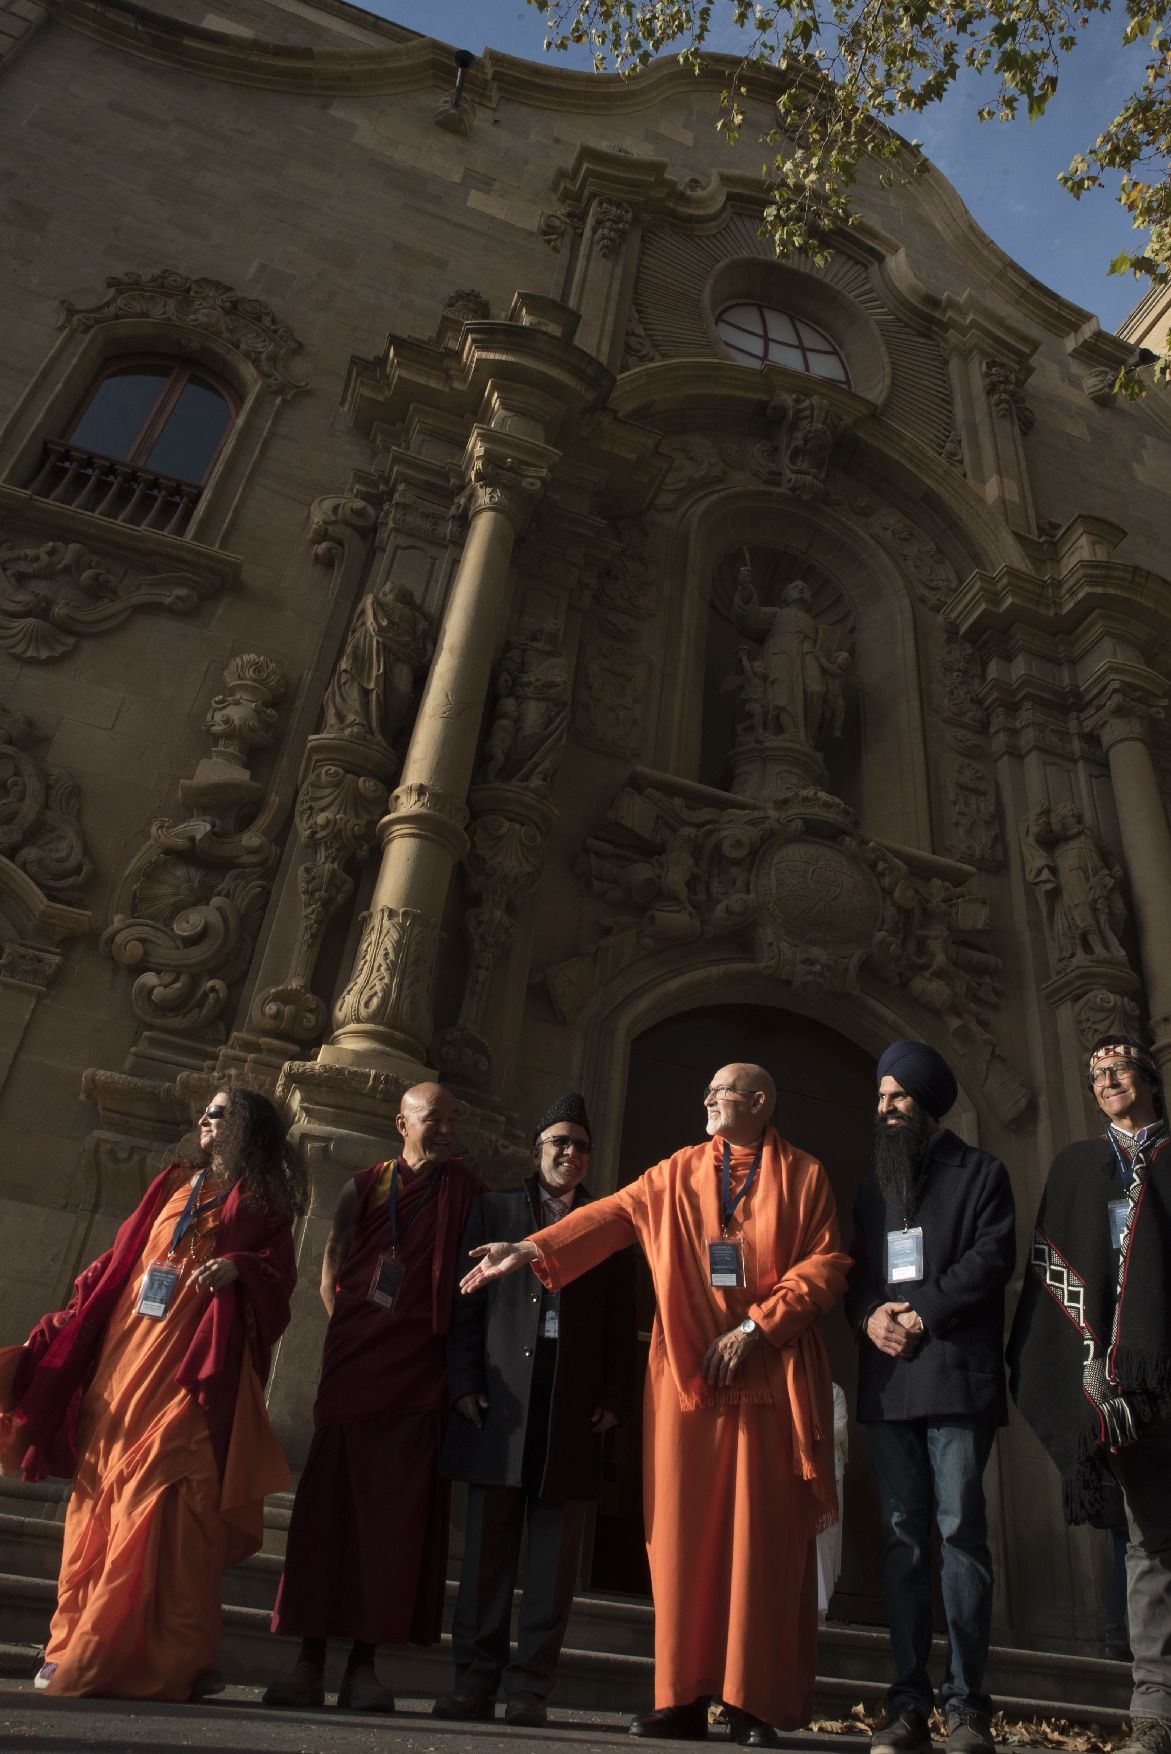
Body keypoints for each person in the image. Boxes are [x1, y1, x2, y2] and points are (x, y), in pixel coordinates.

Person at [461, 1062, 848, 1747]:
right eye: (704, 1089)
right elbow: (609, 1216)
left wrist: (755, 1328)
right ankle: (682, 1698)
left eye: (720, 1091)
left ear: (758, 1102)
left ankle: (751, 1704)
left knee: (759, 1545)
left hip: (767, 1376)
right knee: (681, 1540)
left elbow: (823, 1266)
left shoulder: (806, 1175)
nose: (704, 1098)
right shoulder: (676, 1170)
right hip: (688, 1382)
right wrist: (528, 1248)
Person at [0, 1086, 301, 1701]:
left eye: (217, 1114)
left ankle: (167, 1652)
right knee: (97, 1500)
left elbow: (278, 1277)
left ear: (243, 1126)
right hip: (123, 1356)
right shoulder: (170, 1183)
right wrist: (69, 1320)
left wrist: (240, 1267)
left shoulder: (264, 1203)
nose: (204, 1121)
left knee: (170, 1497)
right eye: (206, 1113)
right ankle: (72, 1638)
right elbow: (119, 1260)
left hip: (190, 1371)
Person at [265, 1081, 480, 1714]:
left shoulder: (467, 1193)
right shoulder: (364, 1186)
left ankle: (365, 1666)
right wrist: (353, 1331)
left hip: (419, 1377)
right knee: (326, 1514)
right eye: (432, 1118)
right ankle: (308, 1661)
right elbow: (332, 1262)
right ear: (401, 1122)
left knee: (394, 1523)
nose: (444, 1129)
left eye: (452, 1119)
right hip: (356, 1371)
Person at [435, 1091, 636, 1728]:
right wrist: (463, 1382)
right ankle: (473, 1683)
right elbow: (465, 1311)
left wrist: (613, 1397)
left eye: (580, 1145)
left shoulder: (606, 1223)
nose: (570, 1155)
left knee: (551, 1565)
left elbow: (620, 1322)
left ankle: (530, 1692)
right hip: (501, 1401)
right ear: (536, 1149)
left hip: (572, 1405)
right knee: (488, 1557)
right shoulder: (493, 1210)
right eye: (559, 1143)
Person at [846, 1040, 1015, 1754]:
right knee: (904, 1542)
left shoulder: (981, 1173)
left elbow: (991, 1258)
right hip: (890, 1384)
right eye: (880, 1097)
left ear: (926, 1102)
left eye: (897, 1096)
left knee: (957, 1536)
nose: (884, 1108)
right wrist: (869, 1314)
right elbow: (852, 1272)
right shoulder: (868, 1188)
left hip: (952, 1378)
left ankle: (967, 1706)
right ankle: (908, 1703)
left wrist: (921, 1310)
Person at [1008, 1035, 1171, 1754]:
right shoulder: (1077, 1166)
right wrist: (1089, 1368)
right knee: (1149, 1545)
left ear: (1147, 1078)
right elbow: (1054, 1276)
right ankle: (1155, 1715)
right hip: (1115, 1380)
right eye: (1095, 1074)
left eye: (1118, 1069)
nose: (1106, 1080)